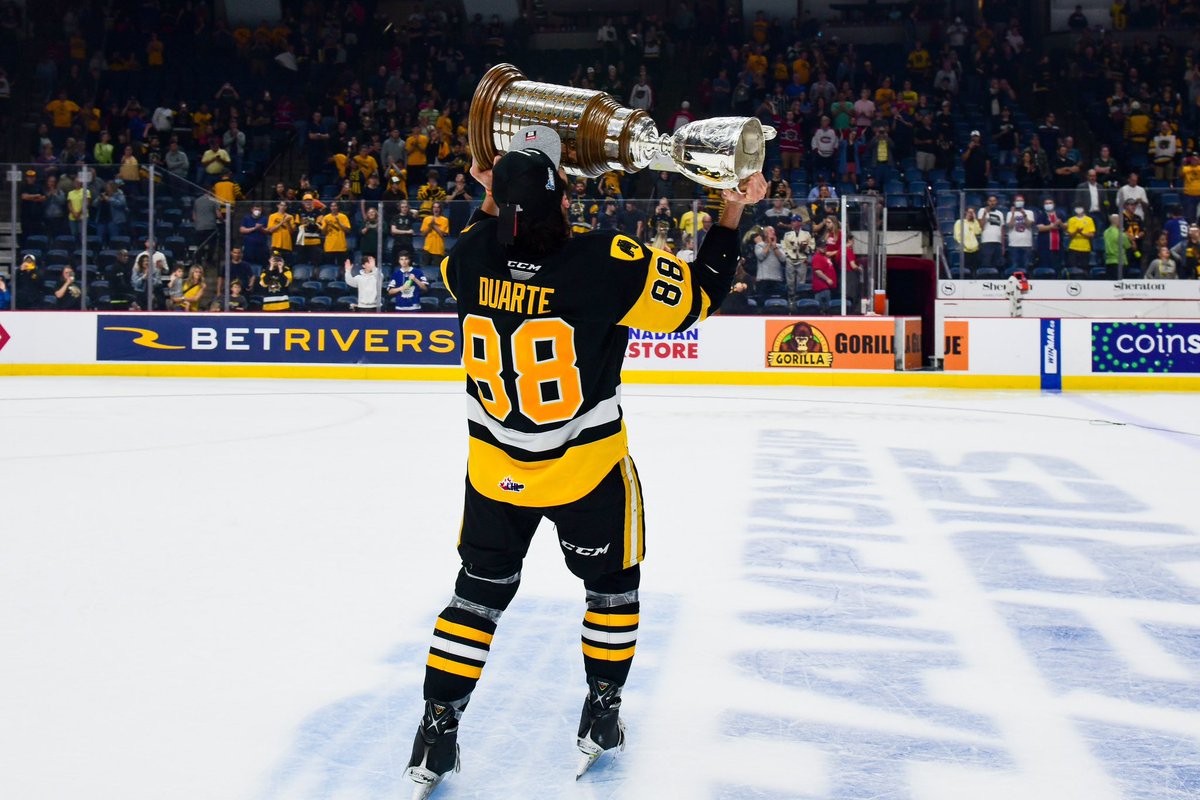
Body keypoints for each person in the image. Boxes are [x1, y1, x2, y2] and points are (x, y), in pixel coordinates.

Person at [402, 125, 766, 796]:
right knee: (612, 591)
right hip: (586, 470)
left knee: (475, 600)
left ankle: (435, 729)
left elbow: (496, 230)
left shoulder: (466, 260)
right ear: (564, 200)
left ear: (497, 202)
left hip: (496, 474)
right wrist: (732, 208)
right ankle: (602, 714)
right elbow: (702, 295)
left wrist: (500, 191)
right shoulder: (607, 261)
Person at [1006, 196, 1036, 274]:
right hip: (1013, 245)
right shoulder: (1009, 213)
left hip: (1026, 245)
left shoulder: (1029, 212)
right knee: (1014, 268)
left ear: (1024, 202)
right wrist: (1013, 214)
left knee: (1026, 268)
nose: (1019, 202)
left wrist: (1024, 214)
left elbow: (1029, 225)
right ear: (1014, 202)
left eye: (1021, 200)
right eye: (1017, 200)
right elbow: (1010, 226)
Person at [1065, 206, 1096, 273]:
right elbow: (1070, 235)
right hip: (1073, 248)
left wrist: (1081, 233)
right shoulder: (1071, 220)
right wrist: (1076, 231)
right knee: (1072, 268)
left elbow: (1092, 235)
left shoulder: (1089, 220)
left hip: (1085, 248)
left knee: (1084, 269)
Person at [420, 202, 450, 267]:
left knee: (436, 269)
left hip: (438, 249)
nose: (436, 209)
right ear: (432, 209)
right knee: (424, 267)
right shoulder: (426, 219)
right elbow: (423, 234)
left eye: (438, 207)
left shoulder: (445, 220)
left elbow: (442, 234)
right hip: (427, 248)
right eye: (434, 207)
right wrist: (430, 226)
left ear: (440, 209)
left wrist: (433, 225)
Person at [1102, 214, 1132, 279]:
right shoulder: (1121, 234)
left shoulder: (1105, 232)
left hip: (1108, 262)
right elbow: (1128, 246)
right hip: (1120, 262)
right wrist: (1130, 239)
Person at [953, 207, 982, 273]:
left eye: (972, 212)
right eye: (969, 212)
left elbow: (978, 232)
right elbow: (957, 236)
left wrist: (975, 220)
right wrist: (964, 245)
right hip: (965, 250)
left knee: (974, 269)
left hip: (975, 250)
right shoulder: (959, 222)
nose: (971, 214)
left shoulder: (974, 223)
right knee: (966, 270)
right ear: (966, 212)